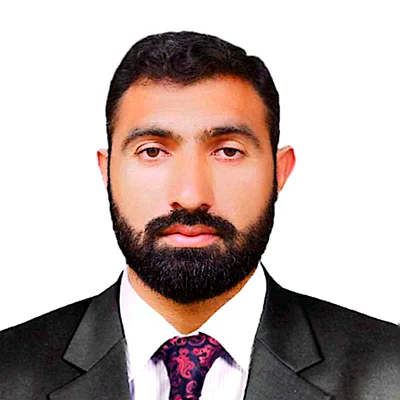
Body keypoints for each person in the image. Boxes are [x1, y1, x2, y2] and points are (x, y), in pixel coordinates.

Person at [0, 31, 398, 400]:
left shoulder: (390, 372)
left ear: (280, 173)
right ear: (107, 173)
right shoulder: (8, 372)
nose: (190, 196)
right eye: (152, 151)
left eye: (228, 151)